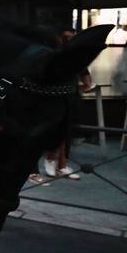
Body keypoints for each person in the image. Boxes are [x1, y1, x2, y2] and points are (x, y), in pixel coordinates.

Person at [36, 27, 93, 181]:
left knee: (66, 130)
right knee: (55, 129)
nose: (69, 40)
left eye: (71, 38)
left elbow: (86, 77)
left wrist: (85, 84)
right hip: (56, 96)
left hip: (69, 95)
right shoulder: (55, 54)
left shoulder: (73, 55)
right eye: (67, 37)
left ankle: (61, 164)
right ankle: (50, 161)